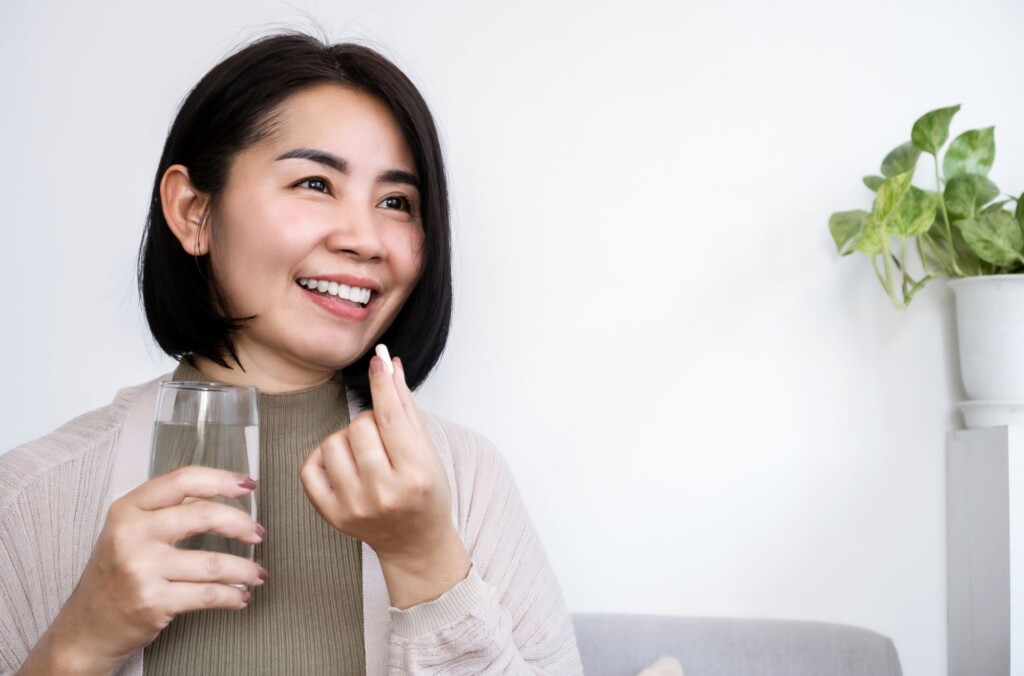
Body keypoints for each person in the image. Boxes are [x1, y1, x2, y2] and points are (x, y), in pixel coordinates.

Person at [0, 33, 582, 675]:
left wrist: (427, 562)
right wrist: (78, 644)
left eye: (396, 202)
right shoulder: (34, 497)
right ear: (193, 210)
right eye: (314, 183)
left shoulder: (468, 482)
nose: (364, 240)